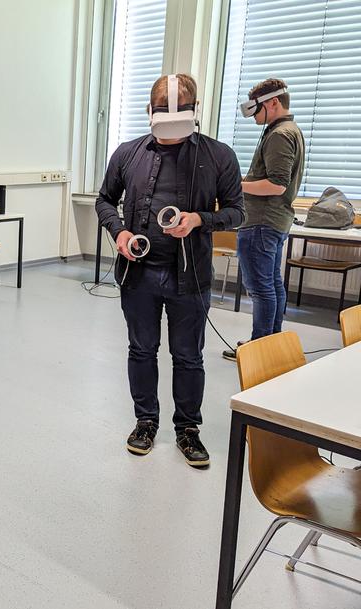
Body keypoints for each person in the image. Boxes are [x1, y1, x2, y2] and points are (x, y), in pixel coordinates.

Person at [95, 74, 245, 467]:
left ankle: (188, 429)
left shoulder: (218, 156)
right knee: (142, 350)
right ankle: (145, 422)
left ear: (196, 113)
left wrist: (198, 220)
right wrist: (120, 232)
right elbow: (104, 200)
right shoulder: (127, 153)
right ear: (149, 112)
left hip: (189, 276)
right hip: (139, 274)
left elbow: (237, 212)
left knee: (188, 356)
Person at [223, 78, 305, 361]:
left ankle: (260, 350)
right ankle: (272, 344)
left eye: (257, 109)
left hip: (261, 222)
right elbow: (269, 178)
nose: (254, 116)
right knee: (272, 285)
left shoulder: (280, 134)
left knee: (261, 290)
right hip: (274, 221)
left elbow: (277, 184)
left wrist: (235, 186)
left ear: (273, 102)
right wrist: (243, 179)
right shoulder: (288, 130)